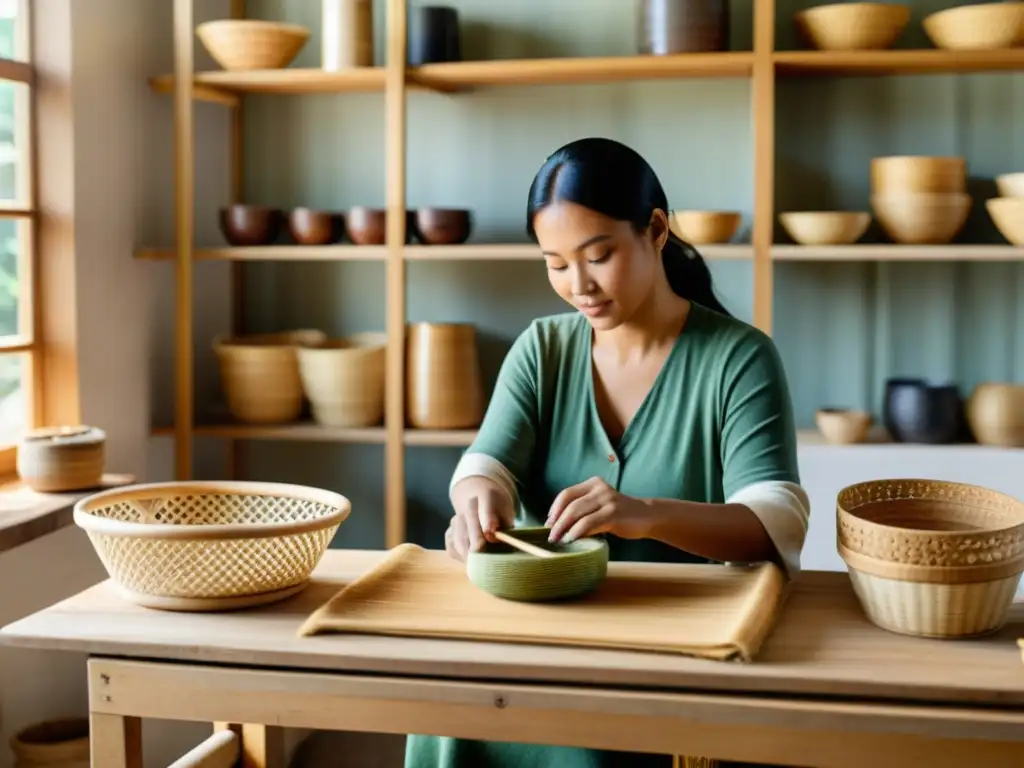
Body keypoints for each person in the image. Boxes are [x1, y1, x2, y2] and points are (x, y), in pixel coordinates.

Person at [404, 137, 810, 768]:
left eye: (598, 257)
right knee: (442, 703)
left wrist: (641, 512)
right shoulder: (543, 349)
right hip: (544, 637)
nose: (578, 286)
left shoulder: (740, 359)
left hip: (676, 653)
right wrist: (477, 502)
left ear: (655, 229)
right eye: (556, 263)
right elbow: (486, 465)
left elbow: (773, 527)